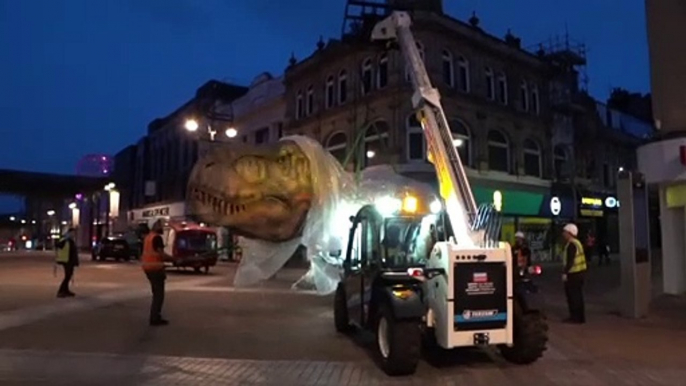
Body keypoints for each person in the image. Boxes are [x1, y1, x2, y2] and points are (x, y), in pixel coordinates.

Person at [141, 220, 171, 326]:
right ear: (153, 226)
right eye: (159, 224)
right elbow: (161, 254)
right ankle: (155, 318)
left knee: (156, 294)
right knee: (159, 295)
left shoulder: (148, 237)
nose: (161, 226)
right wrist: (173, 259)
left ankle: (155, 316)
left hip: (148, 268)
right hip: (155, 269)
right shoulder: (157, 238)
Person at [561, 223, 588, 324]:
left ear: (570, 233)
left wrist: (565, 273)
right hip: (580, 273)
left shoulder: (571, 244)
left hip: (573, 275)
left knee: (573, 297)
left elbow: (570, 261)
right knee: (578, 296)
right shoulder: (577, 243)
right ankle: (580, 318)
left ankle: (575, 318)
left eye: (565, 232)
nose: (563, 234)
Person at [55, 228, 79, 298]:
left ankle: (66, 290)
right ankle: (61, 291)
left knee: (69, 275)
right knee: (67, 276)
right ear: (69, 233)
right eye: (72, 233)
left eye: (74, 233)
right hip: (66, 260)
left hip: (70, 261)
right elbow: (58, 245)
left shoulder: (71, 241)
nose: (73, 234)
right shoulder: (65, 240)